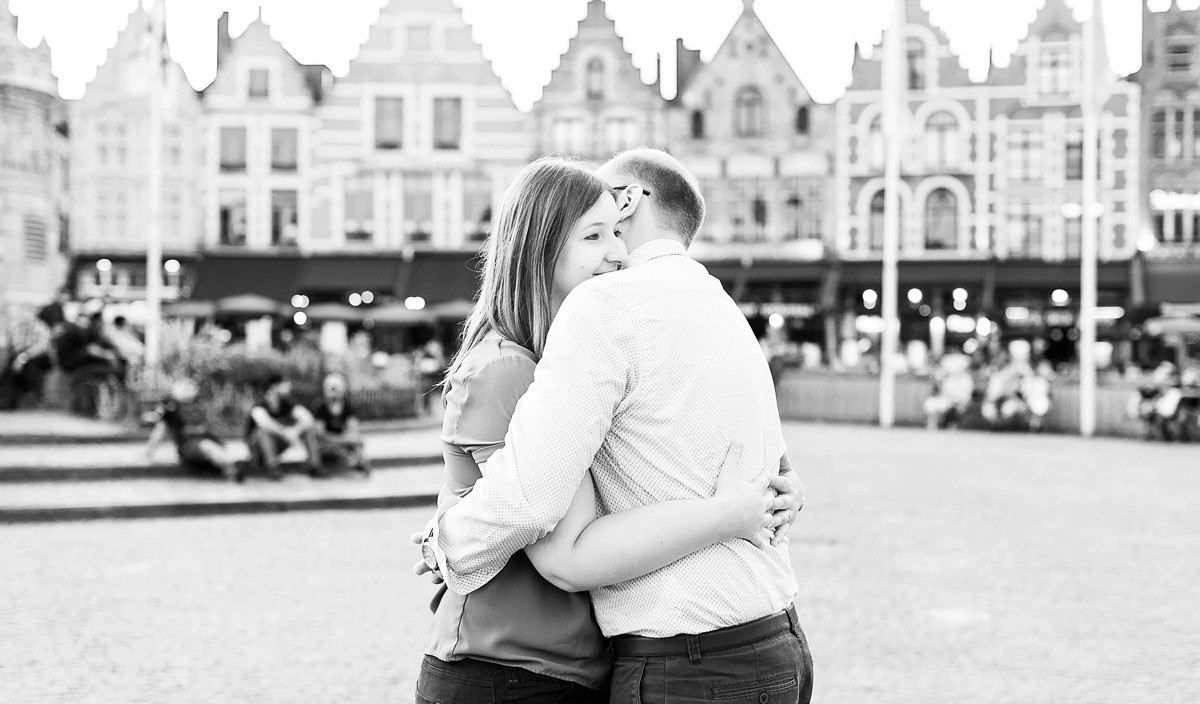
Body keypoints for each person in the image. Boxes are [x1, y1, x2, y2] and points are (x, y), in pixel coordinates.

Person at [418, 150, 811, 703]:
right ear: (541, 245)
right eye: (593, 234)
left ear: (633, 199)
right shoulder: (720, 305)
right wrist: (744, 507)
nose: (616, 253)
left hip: (672, 660)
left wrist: (449, 544)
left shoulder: (606, 312)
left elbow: (554, 539)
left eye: (613, 225)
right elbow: (769, 463)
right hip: (520, 664)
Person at [145, 378, 241, 482]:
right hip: (190, 446)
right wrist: (149, 453)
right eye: (184, 387)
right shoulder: (171, 408)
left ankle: (231, 468)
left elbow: (212, 426)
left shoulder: (199, 405)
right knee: (208, 446)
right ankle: (232, 471)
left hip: (206, 444)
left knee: (213, 447)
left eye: (190, 386)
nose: (188, 389)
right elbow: (160, 428)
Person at [244, 374, 318, 480]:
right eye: (285, 384)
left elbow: (308, 418)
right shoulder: (259, 406)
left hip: (278, 443)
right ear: (274, 386)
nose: (289, 387)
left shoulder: (287, 404)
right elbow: (264, 423)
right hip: (258, 450)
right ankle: (272, 468)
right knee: (263, 431)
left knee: (308, 428)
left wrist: (295, 431)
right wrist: (285, 433)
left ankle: (315, 466)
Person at [308, 372, 370, 476]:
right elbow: (319, 433)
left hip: (341, 440)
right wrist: (340, 439)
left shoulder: (347, 405)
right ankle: (316, 467)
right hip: (326, 442)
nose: (335, 392)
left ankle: (359, 465)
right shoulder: (320, 406)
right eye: (332, 388)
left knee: (358, 441)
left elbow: (353, 427)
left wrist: (347, 438)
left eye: (337, 388)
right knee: (313, 438)